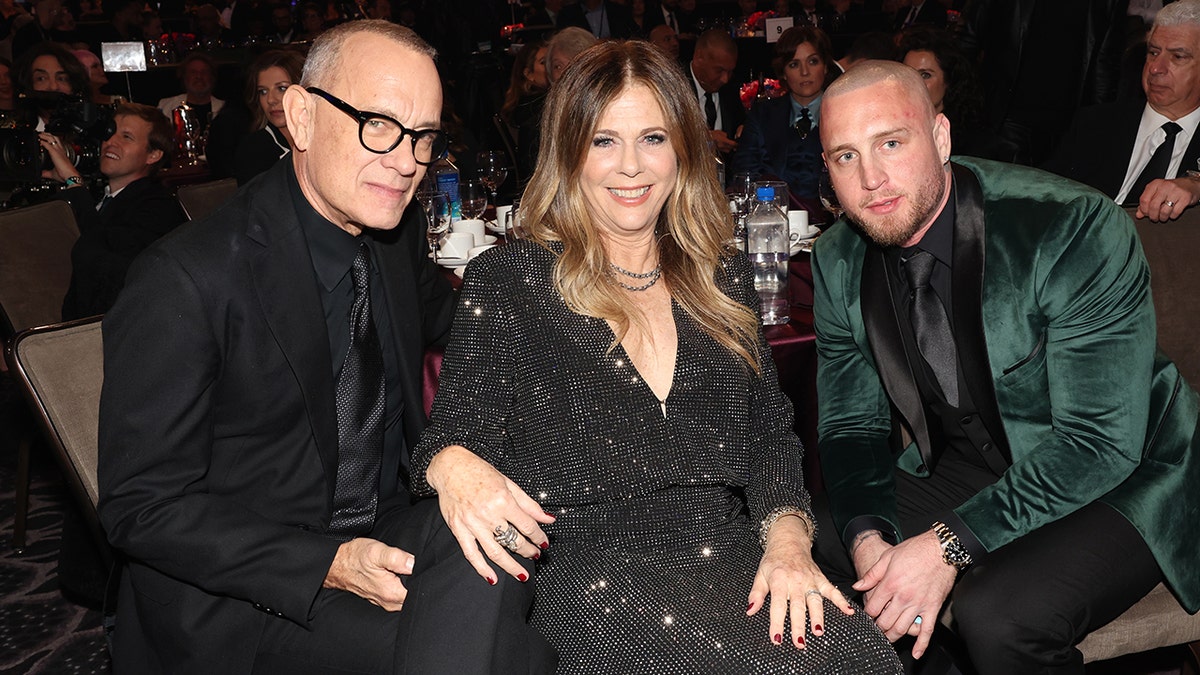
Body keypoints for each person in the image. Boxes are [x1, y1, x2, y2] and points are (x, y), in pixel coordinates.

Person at [410, 40, 902, 675]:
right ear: (568, 152)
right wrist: (453, 466)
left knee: (858, 657)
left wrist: (786, 545)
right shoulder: (510, 279)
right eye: (603, 141)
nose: (631, 168)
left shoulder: (720, 277)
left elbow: (771, 438)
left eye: (653, 138)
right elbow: (450, 436)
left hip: (732, 558)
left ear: (683, 150)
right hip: (588, 579)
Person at [97, 20, 555, 673]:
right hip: (245, 594)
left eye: (423, 136)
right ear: (302, 118)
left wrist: (592, 306)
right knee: (502, 649)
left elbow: (465, 322)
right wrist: (328, 564)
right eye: (379, 124)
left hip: (380, 524)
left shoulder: (388, 242)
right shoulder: (186, 278)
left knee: (500, 529)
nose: (406, 161)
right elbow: (140, 506)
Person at [811, 59, 1200, 675]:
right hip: (975, 460)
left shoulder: (1068, 226)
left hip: (1126, 470)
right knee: (821, 534)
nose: (872, 179)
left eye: (890, 142)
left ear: (939, 138)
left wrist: (945, 547)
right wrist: (867, 541)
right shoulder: (836, 258)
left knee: (998, 613)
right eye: (845, 157)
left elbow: (1098, 442)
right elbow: (850, 427)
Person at [1045, 0, 1200, 222]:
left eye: (1178, 57)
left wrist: (1196, 183)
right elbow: (1043, 192)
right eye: (1154, 52)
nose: (1156, 68)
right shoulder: (1096, 124)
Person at [37, 102, 183, 319]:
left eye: (126, 137)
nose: (110, 142)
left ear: (153, 155)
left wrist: (75, 183)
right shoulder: (98, 196)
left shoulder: (157, 206)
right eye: (109, 133)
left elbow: (101, 257)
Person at [731, 25, 837, 202]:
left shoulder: (843, 114)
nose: (805, 72)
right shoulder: (762, 114)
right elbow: (744, 174)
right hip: (773, 217)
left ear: (825, 66)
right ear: (783, 73)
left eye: (813, 62)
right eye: (794, 64)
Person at [233, 49, 303, 185]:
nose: (271, 99)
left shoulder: (323, 139)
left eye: (281, 88)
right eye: (263, 92)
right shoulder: (253, 149)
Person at [690, 28, 744, 157]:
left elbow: (740, 120)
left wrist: (744, 129)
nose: (725, 79)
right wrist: (705, 141)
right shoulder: (674, 87)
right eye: (719, 70)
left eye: (730, 72)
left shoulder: (730, 86)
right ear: (699, 58)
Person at [156, 51, 224, 135]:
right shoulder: (166, 107)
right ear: (184, 77)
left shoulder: (224, 110)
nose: (199, 77)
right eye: (193, 72)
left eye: (204, 72)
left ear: (212, 78)